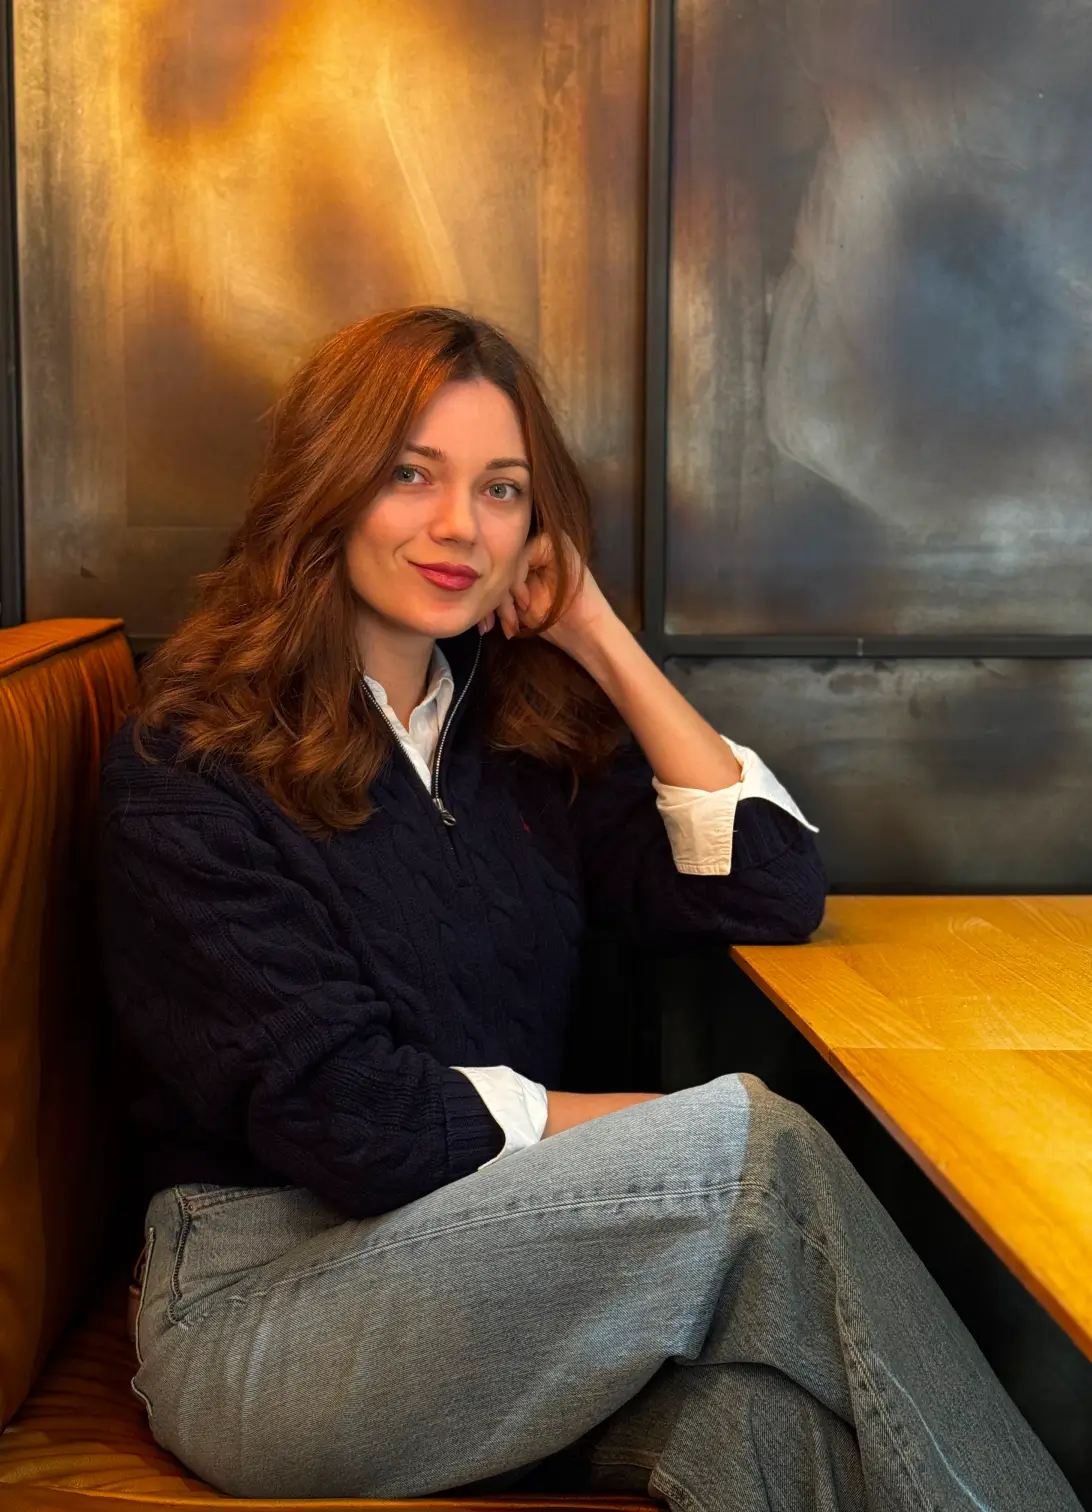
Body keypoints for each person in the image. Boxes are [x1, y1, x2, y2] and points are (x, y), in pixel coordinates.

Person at [98, 307, 1078, 1510]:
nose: (460, 526)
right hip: (263, 1316)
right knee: (755, 1153)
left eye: (503, 491)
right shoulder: (189, 764)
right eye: (412, 475)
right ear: (330, 485)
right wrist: (649, 1135)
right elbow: (353, 1122)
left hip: (487, 1263)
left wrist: (594, 632)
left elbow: (768, 886)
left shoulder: (509, 744)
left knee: (762, 1429)